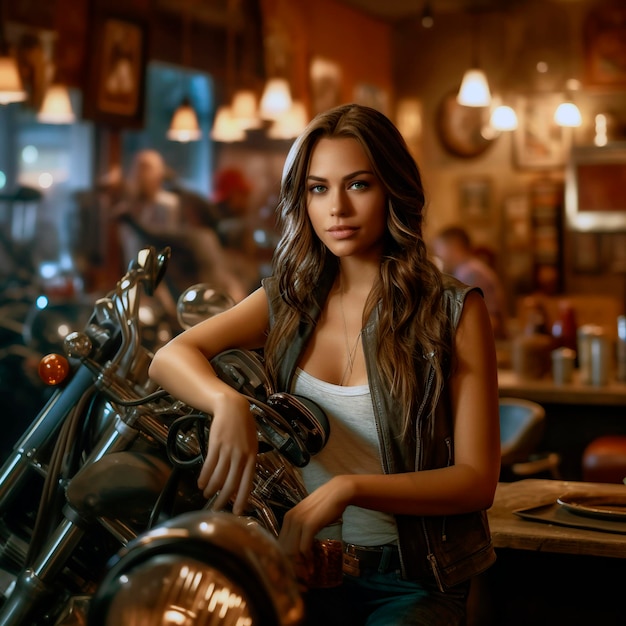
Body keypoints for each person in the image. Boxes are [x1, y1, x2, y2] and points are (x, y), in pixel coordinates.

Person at [149, 104, 500, 625]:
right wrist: (227, 403)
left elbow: (476, 480)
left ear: (392, 191)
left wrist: (347, 488)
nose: (337, 207)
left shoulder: (452, 311)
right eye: (318, 188)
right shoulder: (289, 300)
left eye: (358, 185)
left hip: (408, 582)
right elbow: (170, 355)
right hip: (296, 571)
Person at [432, 226, 507, 339]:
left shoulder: (470, 273)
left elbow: (492, 320)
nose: (438, 255)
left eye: (439, 249)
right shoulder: (467, 270)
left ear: (454, 247)